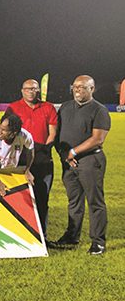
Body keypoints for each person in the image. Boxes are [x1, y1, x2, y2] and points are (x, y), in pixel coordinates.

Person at [51, 75, 111, 254]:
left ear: (92, 89)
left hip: (90, 161)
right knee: (74, 201)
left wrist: (74, 152)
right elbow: (57, 132)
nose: (77, 90)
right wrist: (64, 154)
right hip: (68, 161)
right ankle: (72, 236)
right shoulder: (66, 107)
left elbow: (98, 139)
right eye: (75, 86)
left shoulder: (99, 110)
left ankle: (98, 242)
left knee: (95, 202)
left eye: (83, 87)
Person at [5, 78, 58, 237]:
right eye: (27, 89)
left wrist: (43, 150)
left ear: (38, 91)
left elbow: (53, 133)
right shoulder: (13, 108)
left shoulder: (48, 107)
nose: (31, 91)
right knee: (20, 200)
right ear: (22, 91)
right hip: (19, 161)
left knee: (42, 199)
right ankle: (20, 235)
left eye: (34, 89)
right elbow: (8, 133)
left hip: (42, 160)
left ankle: (41, 236)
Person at [0, 112, 34, 196]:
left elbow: (31, 153)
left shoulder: (25, 136)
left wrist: (27, 170)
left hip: (13, 171)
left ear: (14, 133)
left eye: (4, 130)